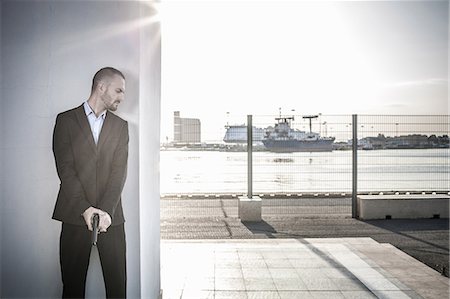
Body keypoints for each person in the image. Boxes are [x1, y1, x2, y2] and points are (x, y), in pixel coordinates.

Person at [52, 67, 129, 298]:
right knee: (73, 288)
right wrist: (85, 208)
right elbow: (65, 170)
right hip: (74, 215)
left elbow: (119, 173)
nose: (122, 97)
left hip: (111, 219)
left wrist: (105, 211)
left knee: (117, 289)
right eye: (118, 90)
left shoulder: (120, 126)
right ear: (101, 86)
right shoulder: (65, 120)